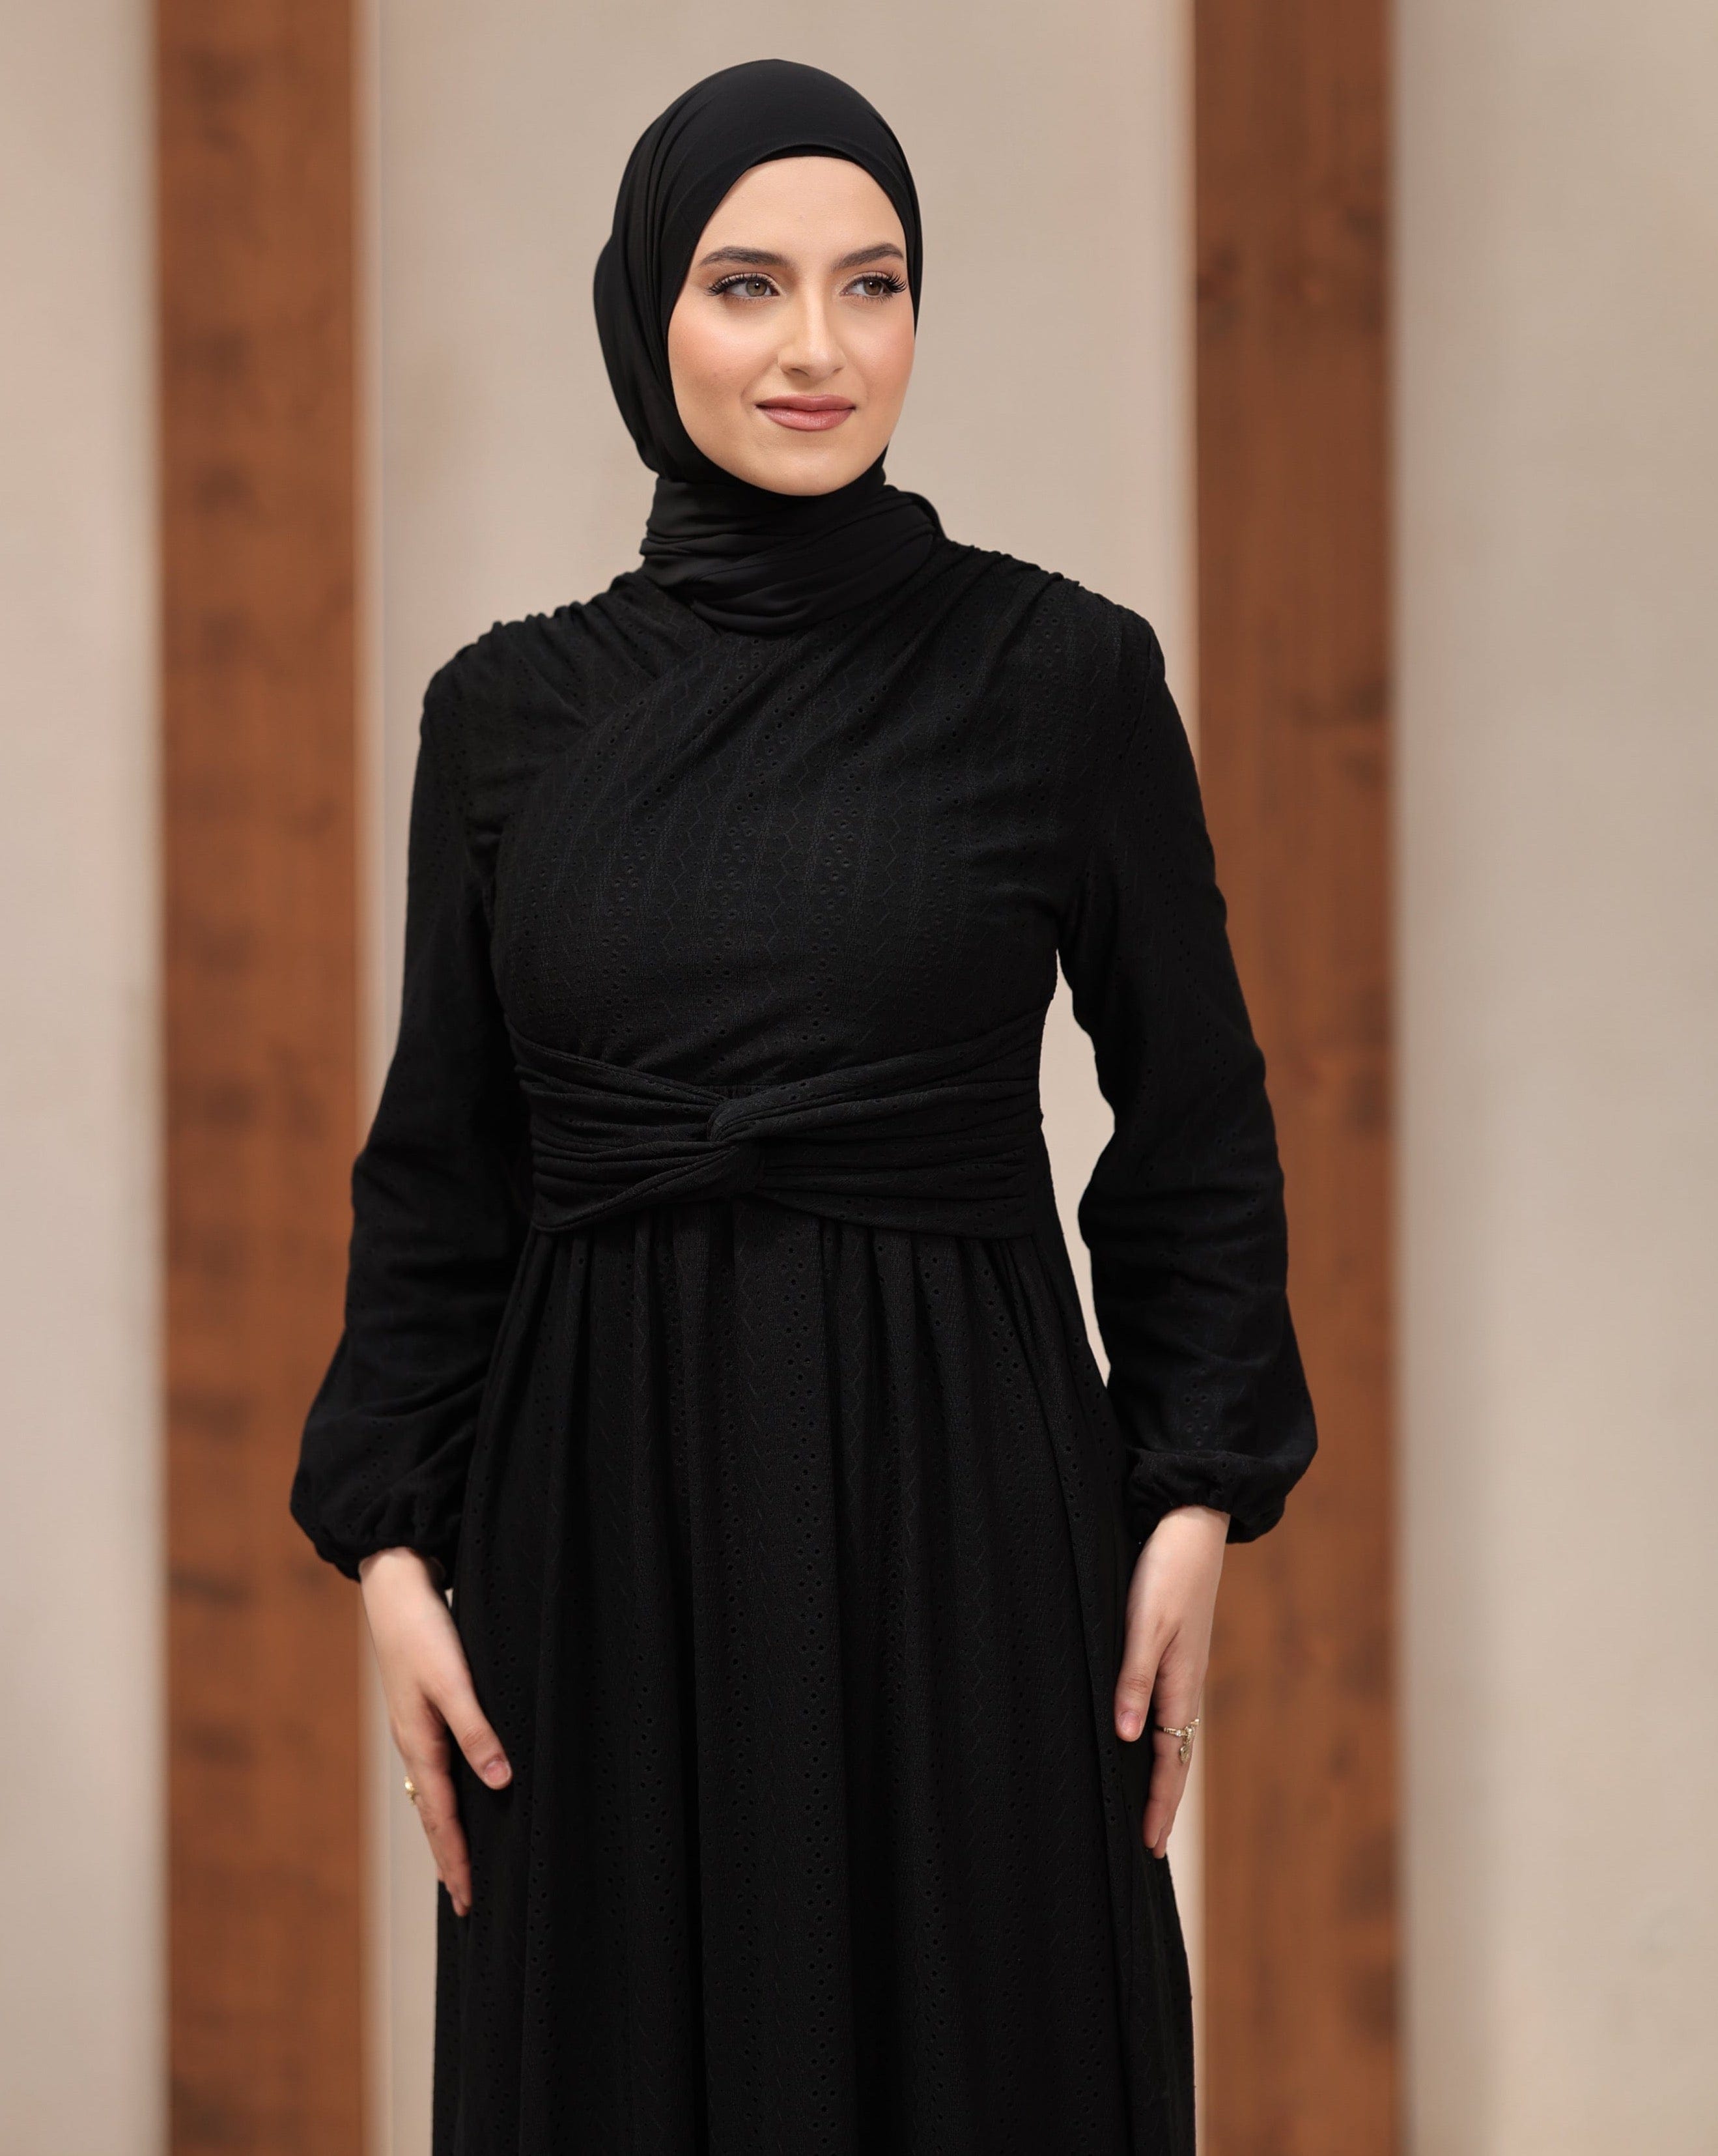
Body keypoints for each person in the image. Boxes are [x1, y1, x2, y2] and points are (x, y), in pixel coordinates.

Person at [290, 56, 1316, 2156]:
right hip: (600, 1534)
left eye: (875, 283)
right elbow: (441, 1172)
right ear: (646, 310)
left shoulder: (1064, 680)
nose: (819, 348)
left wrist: (1195, 1493)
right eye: (748, 284)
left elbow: (1199, 1115)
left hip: (966, 1508)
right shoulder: (503, 719)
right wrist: (390, 1549)